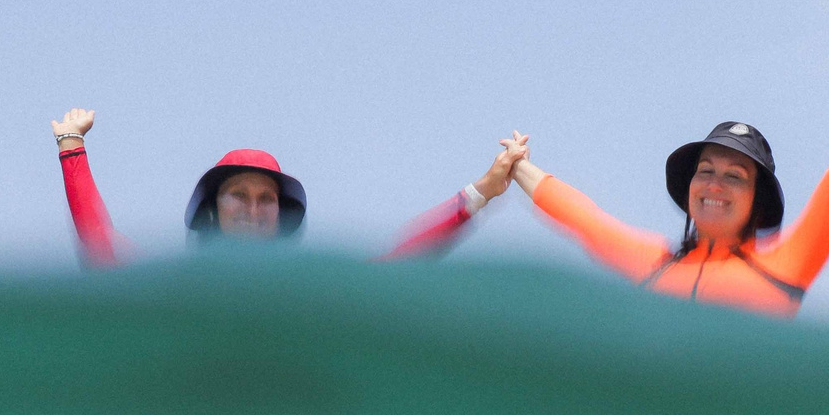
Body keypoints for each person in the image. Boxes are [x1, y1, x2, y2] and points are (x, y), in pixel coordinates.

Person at [498, 30, 829, 316]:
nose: (714, 184)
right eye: (705, 170)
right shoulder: (654, 264)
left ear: (758, 201)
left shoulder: (787, 266)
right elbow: (582, 219)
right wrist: (517, 165)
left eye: (735, 176)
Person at [49, 108, 525, 267]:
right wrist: (72, 147)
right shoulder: (180, 290)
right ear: (212, 209)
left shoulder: (308, 294)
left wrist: (482, 191)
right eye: (239, 195)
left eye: (266, 199)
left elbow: (395, 262)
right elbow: (101, 248)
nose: (254, 208)